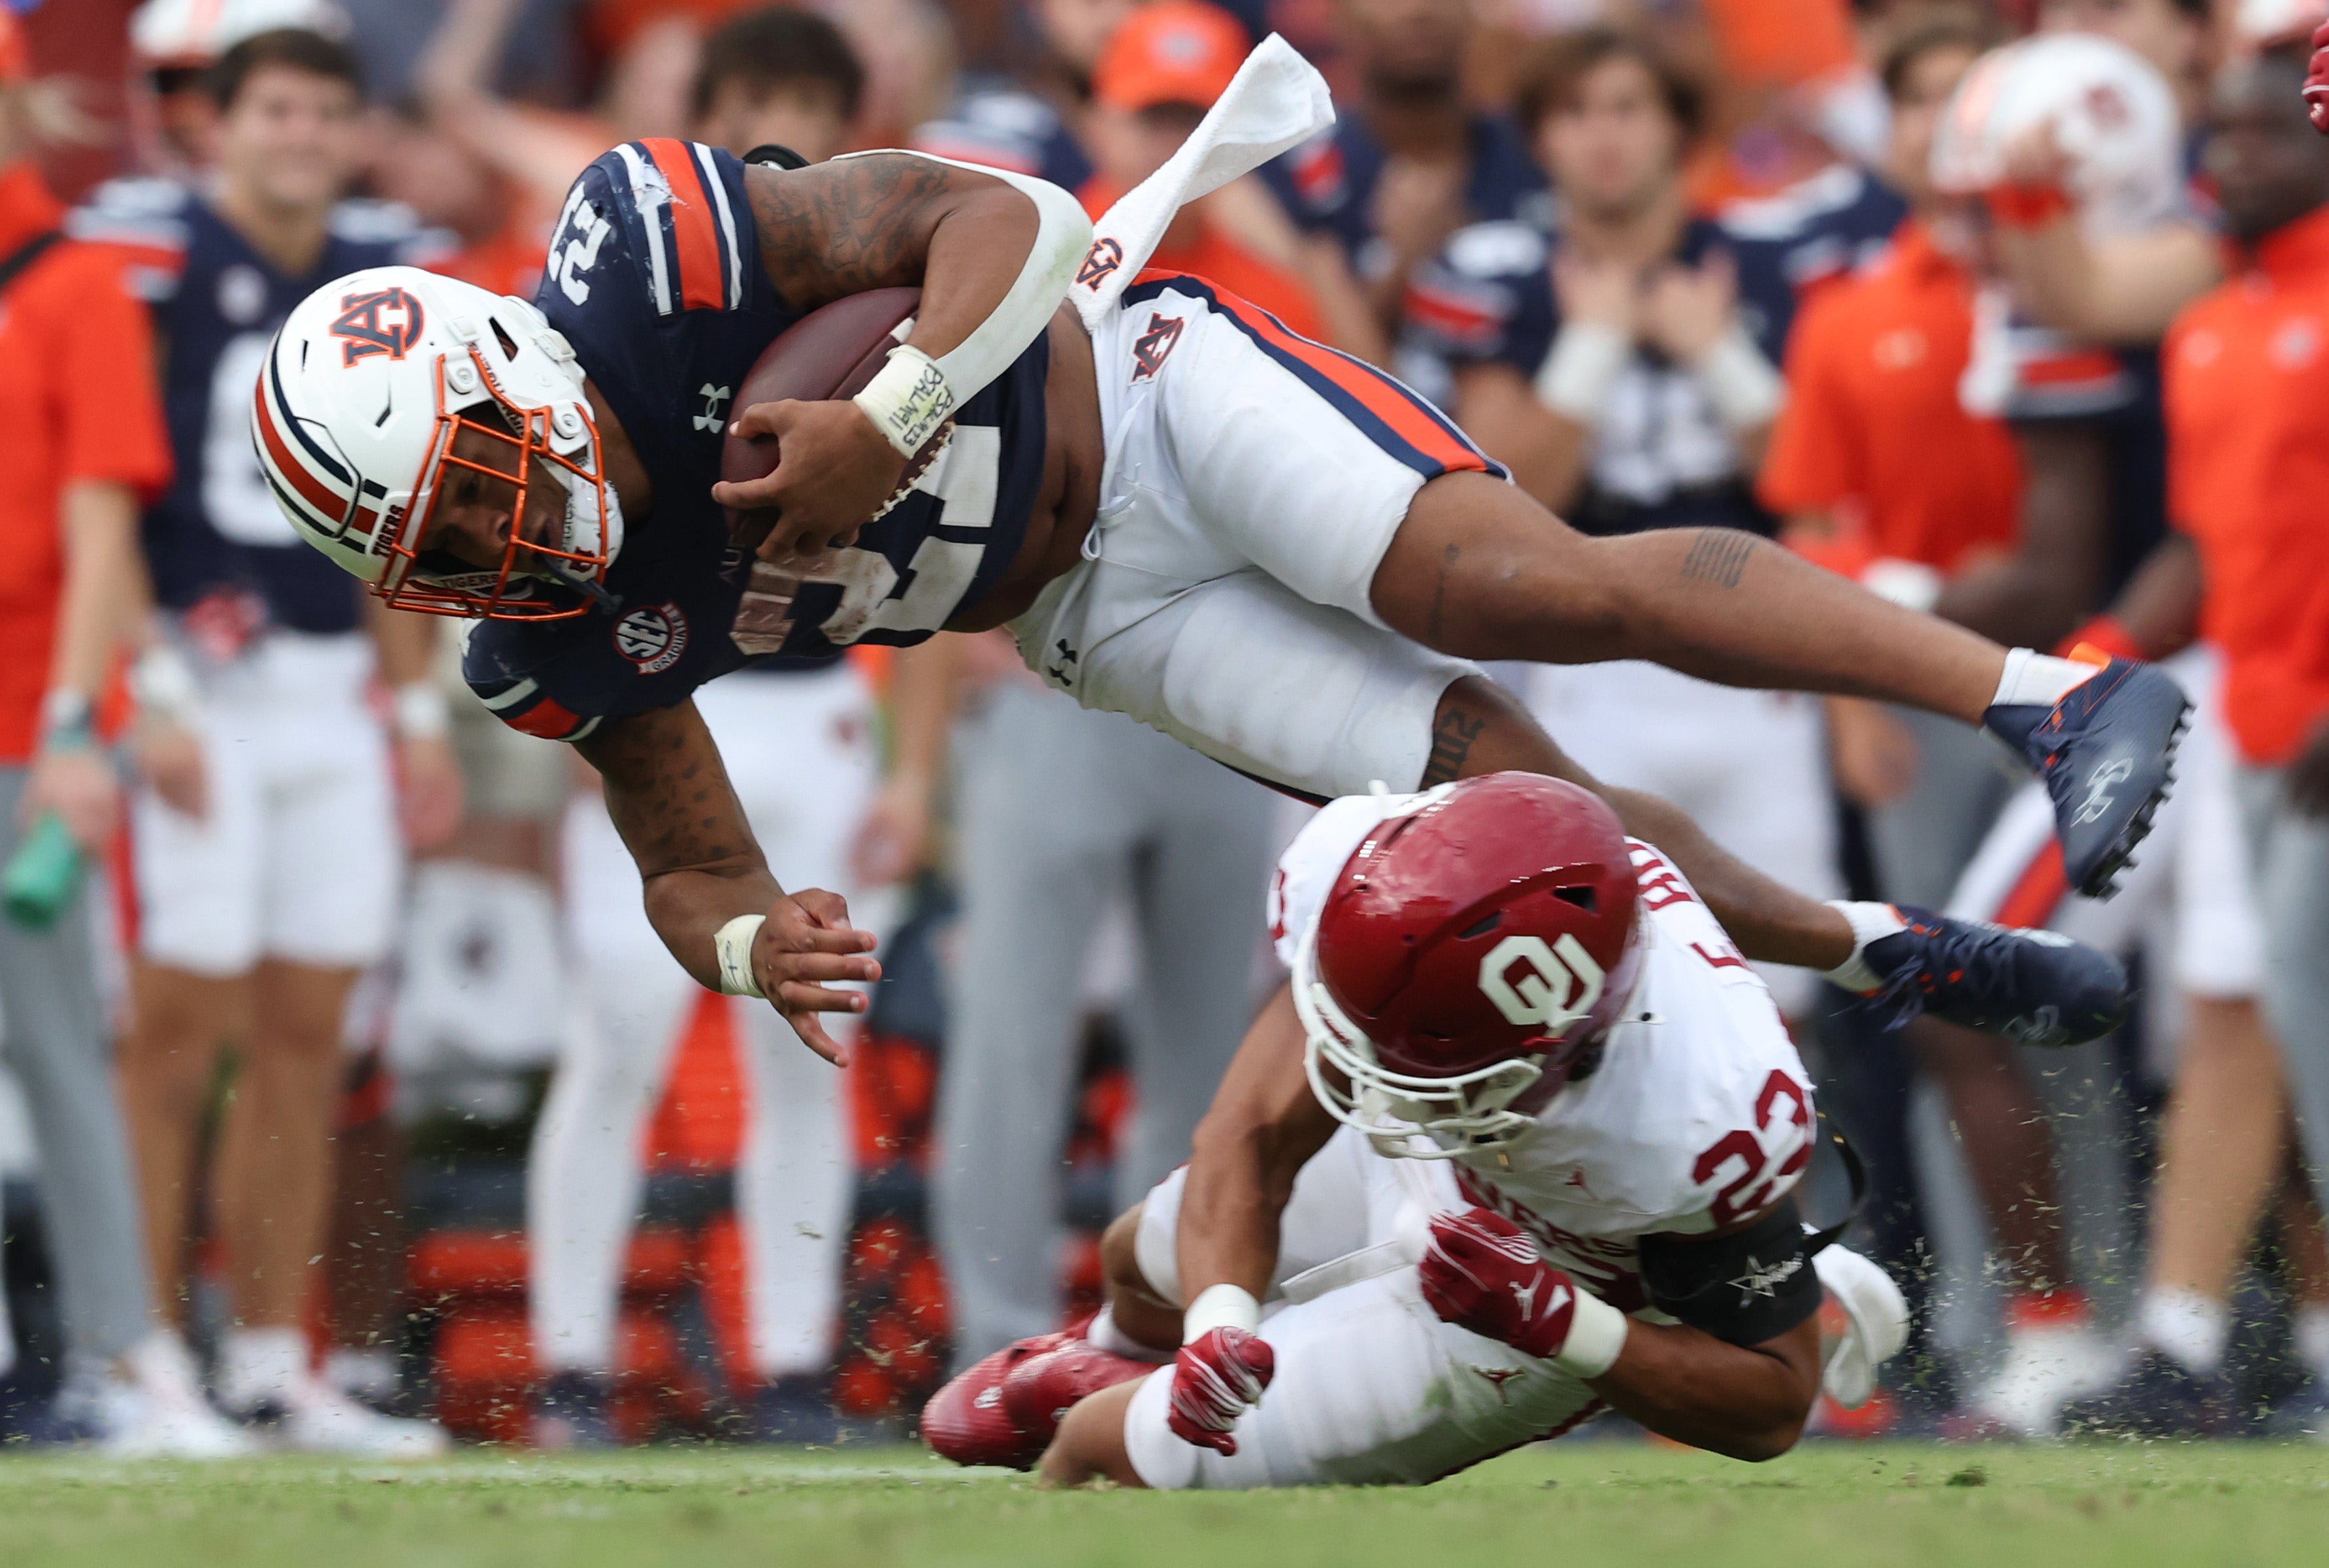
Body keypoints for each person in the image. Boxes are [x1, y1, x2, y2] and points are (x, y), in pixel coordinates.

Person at [258, 41, 2174, 1102]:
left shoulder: (654, 258)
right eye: (447, 548)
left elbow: (1010, 214)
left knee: (1525, 585)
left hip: (1157, 403)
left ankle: (2048, 692)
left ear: (501, 365)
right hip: (1090, 613)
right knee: (1522, 813)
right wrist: (760, 941)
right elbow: (686, 853)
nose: (506, 543)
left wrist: (894, 412)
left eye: (488, 486)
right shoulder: (548, 627)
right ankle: (1888, 945)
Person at [923, 775, 1910, 1485]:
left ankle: (1105, 1414)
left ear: (1554, 1058)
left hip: (1546, 1289)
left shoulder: (1702, 1110)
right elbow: (1254, 1137)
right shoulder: (1394, 873)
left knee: (1106, 1455)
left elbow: (1778, 1403)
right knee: (1142, 1259)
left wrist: (1563, 1323)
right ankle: (1119, 1359)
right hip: (1442, 1143)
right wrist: (1219, 1328)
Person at [73, 27, 455, 1456]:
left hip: (329, 691)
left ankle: (265, 1360)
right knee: (175, 1041)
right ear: (216, 127)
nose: (300, 135)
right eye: (275, 110)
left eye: (323, 111)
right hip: (193, 686)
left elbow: (405, 522)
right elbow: (103, 495)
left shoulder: (379, 283)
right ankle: (135, 1356)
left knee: (310, 1041)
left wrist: (415, 710)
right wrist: (144, 692)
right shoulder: (151, 264)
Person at [525, 31, 898, 1445]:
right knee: (613, 1039)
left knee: (810, 1047)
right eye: (760, 110)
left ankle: (791, 1365)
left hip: (823, 696)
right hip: (661, 704)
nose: (782, 134)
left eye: (810, 107)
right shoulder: (639, 305)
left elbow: (935, 559)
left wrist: (912, 763)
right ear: (713, 127)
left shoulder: (871, 292)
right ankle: (570, 1365)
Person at [1403, 27, 1838, 1021]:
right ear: (1540, 137)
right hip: (1584, 666)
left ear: (1678, 127)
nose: (1603, 137)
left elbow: (1807, 484)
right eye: (1575, 111)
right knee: (1605, 984)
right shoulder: (1497, 271)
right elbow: (1505, 506)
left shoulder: (1763, 261)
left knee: (1785, 993)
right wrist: (1592, 345)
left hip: (1755, 663)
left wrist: (1721, 353)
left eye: (1627, 107)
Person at [0, 7, 251, 1459]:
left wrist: (75, 731)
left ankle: (128, 1351)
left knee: (52, 1043)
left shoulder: (79, 284)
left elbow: (105, 532)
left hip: (27, 716)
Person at [2122, 39, 2329, 1435]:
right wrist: (2073, 674)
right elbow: (2203, 543)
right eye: (2222, 132)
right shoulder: (2211, 321)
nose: (2232, 156)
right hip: (2252, 717)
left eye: (2268, 132)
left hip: (2318, 709)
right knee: (2273, 1021)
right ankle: (2189, 1336)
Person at [1758, 8, 2019, 909]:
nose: (1940, 117)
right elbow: (1814, 522)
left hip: (2090, 653)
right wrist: (1850, 708)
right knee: (1937, 951)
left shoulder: (2089, 285)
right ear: (1890, 127)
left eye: (1963, 92)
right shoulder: (1844, 316)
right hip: (1914, 671)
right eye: (1915, 99)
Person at [1260, 0, 1547, 361]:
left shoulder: (1542, 152)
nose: (1417, 10)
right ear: (1342, 18)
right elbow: (1303, 371)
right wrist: (1401, 262)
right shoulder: (1293, 178)